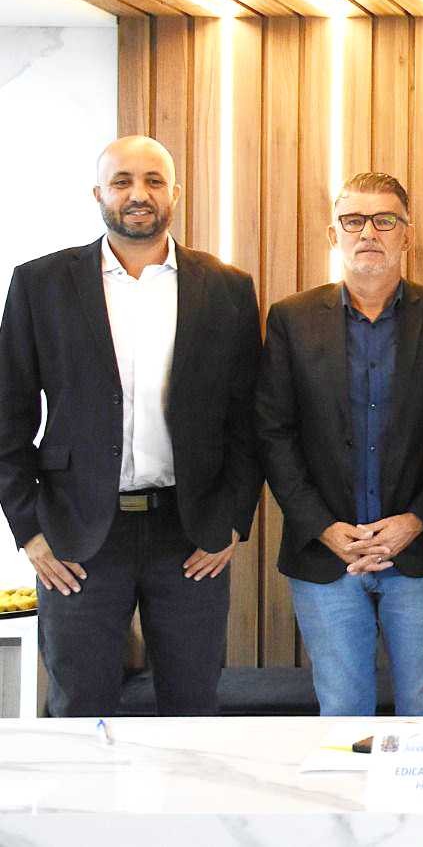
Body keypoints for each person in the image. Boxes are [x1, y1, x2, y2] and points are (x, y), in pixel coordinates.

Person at [0, 135, 261, 715]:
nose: (138, 194)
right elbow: (6, 419)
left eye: (153, 181)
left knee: (192, 709)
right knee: (80, 709)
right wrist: (30, 532)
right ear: (98, 194)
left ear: (176, 193)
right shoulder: (41, 284)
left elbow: (248, 420)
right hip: (77, 538)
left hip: (189, 533)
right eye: (121, 182)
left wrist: (231, 521)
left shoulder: (226, 288)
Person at [256, 172, 423, 716]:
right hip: (326, 555)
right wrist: (323, 527)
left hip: (420, 551)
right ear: (334, 235)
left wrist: (417, 520)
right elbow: (274, 433)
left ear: (407, 235)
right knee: (342, 715)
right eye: (353, 221)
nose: (368, 232)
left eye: (384, 220)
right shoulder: (291, 319)